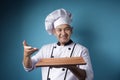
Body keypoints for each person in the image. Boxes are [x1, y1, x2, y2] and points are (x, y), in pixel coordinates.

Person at [23, 8, 94, 80]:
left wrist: (70, 66)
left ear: (71, 30)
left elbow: (87, 77)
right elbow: (29, 67)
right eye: (59, 30)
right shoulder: (45, 49)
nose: (63, 33)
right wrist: (26, 55)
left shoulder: (82, 50)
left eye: (67, 29)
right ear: (54, 32)